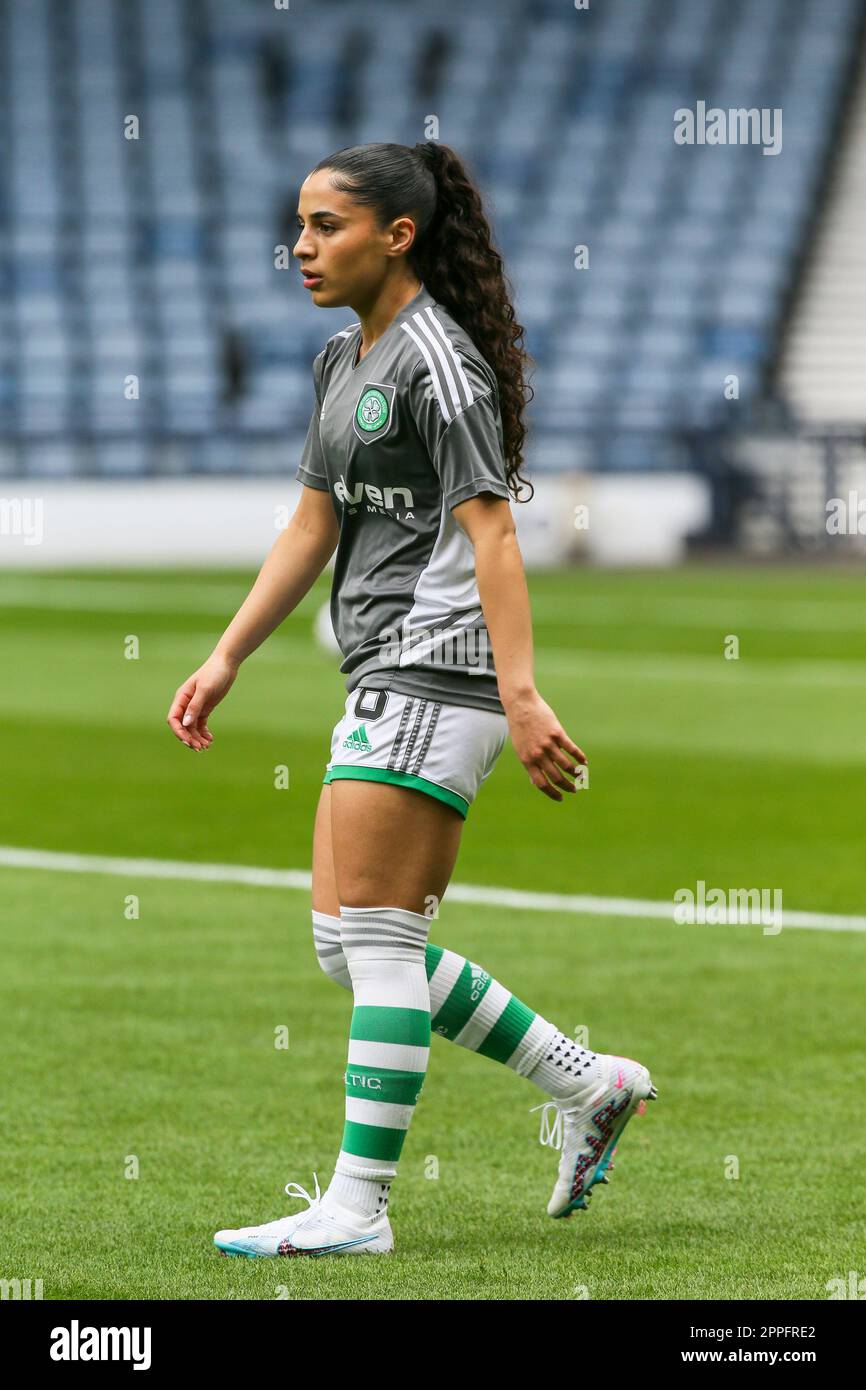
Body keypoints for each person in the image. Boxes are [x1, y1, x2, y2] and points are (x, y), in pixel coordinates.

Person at [166, 141, 656, 1259]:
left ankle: (356, 1210)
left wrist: (521, 694)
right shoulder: (343, 359)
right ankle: (592, 1085)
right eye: (297, 224)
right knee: (346, 943)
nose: (299, 246)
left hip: (438, 665)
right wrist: (227, 654)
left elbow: (493, 532)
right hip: (381, 667)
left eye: (324, 225)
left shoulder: (441, 363)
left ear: (395, 235)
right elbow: (312, 523)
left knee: (381, 935)